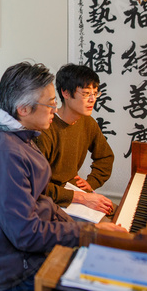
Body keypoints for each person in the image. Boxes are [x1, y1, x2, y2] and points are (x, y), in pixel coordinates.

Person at [0, 62, 126, 291]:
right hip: (18, 266)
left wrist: (80, 228)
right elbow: (25, 234)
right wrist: (89, 232)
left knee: (112, 254)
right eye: (50, 104)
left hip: (32, 245)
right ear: (23, 108)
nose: (54, 109)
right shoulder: (4, 152)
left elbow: (41, 203)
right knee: (112, 279)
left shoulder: (21, 137)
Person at [35, 64, 115, 216]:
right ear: (65, 92)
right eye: (85, 94)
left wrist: (91, 183)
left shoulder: (87, 122)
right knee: (106, 228)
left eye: (95, 93)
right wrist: (82, 197)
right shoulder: (46, 129)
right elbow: (37, 186)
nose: (92, 100)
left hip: (74, 192)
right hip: (49, 201)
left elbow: (105, 157)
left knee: (114, 213)